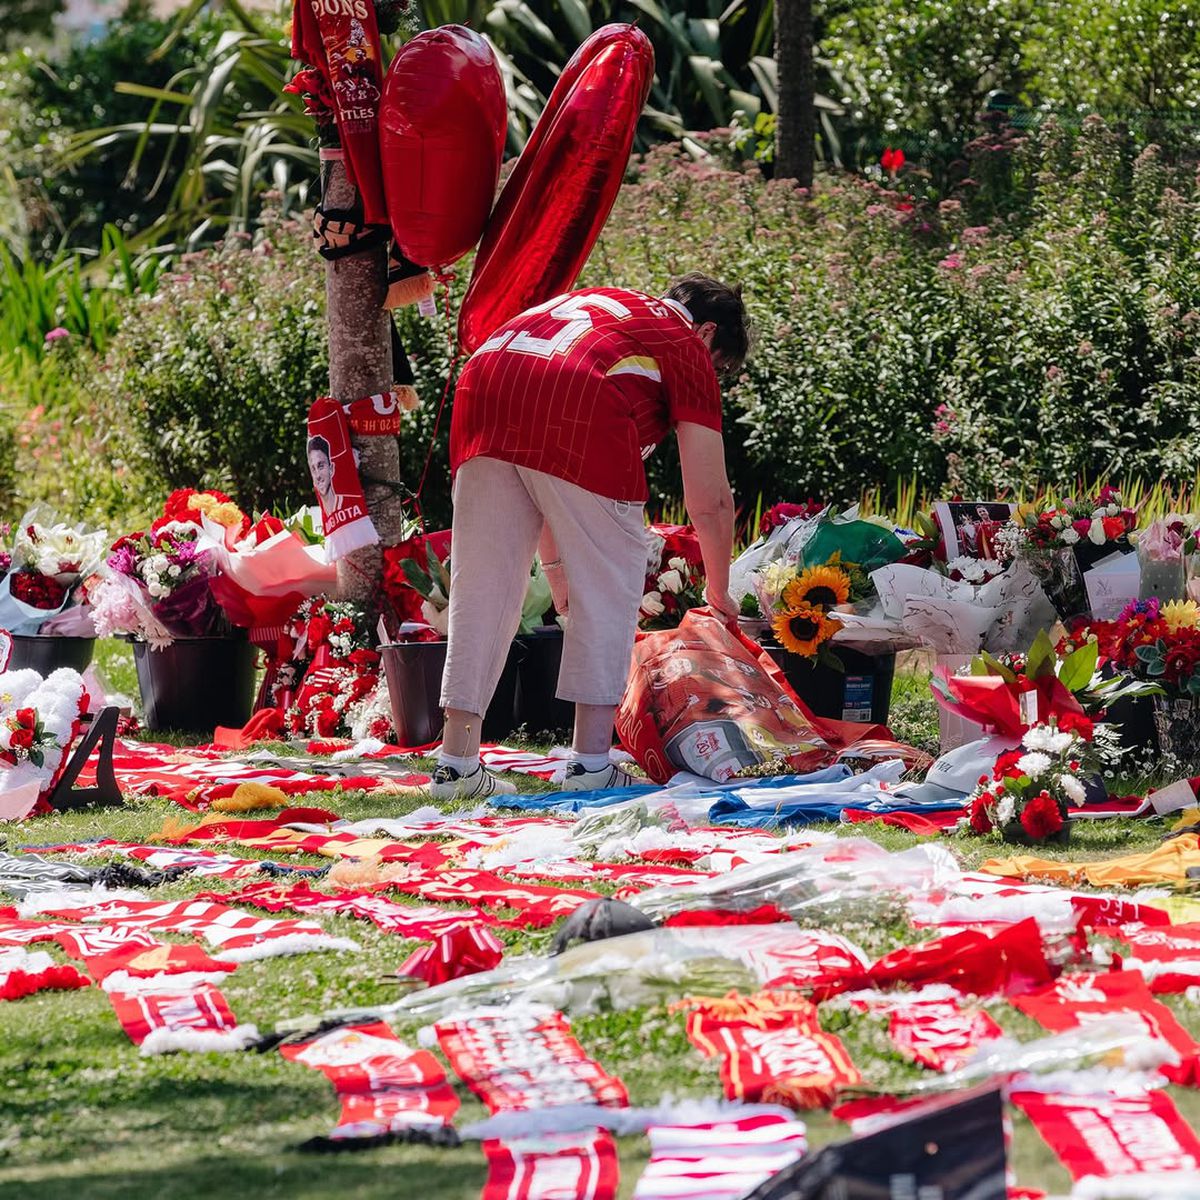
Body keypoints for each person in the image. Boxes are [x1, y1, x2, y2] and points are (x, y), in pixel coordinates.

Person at [428, 274, 750, 800]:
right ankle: (591, 763)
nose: (711, 377)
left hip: (484, 384)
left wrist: (557, 576)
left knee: (481, 591)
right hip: (579, 401)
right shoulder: (681, 341)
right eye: (718, 367)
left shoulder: (602, 304)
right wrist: (718, 591)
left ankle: (456, 762)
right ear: (708, 331)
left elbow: (547, 484)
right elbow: (710, 500)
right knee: (608, 589)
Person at [307, 435, 344, 515]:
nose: (318, 476)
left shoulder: (348, 505)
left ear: (331, 468)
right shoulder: (315, 514)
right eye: (313, 469)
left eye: (321, 466)